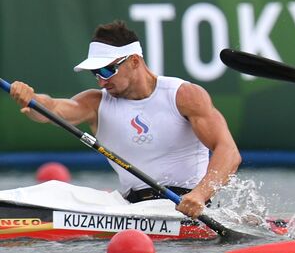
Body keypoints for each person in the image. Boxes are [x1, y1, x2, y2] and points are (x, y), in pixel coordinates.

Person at [9, 20, 241, 219]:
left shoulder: (184, 95)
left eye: (108, 70)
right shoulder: (95, 103)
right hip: (130, 207)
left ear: (134, 61)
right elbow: (51, 109)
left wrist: (200, 195)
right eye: (95, 73)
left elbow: (229, 152)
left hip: (183, 207)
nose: (101, 81)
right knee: (55, 191)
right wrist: (30, 100)